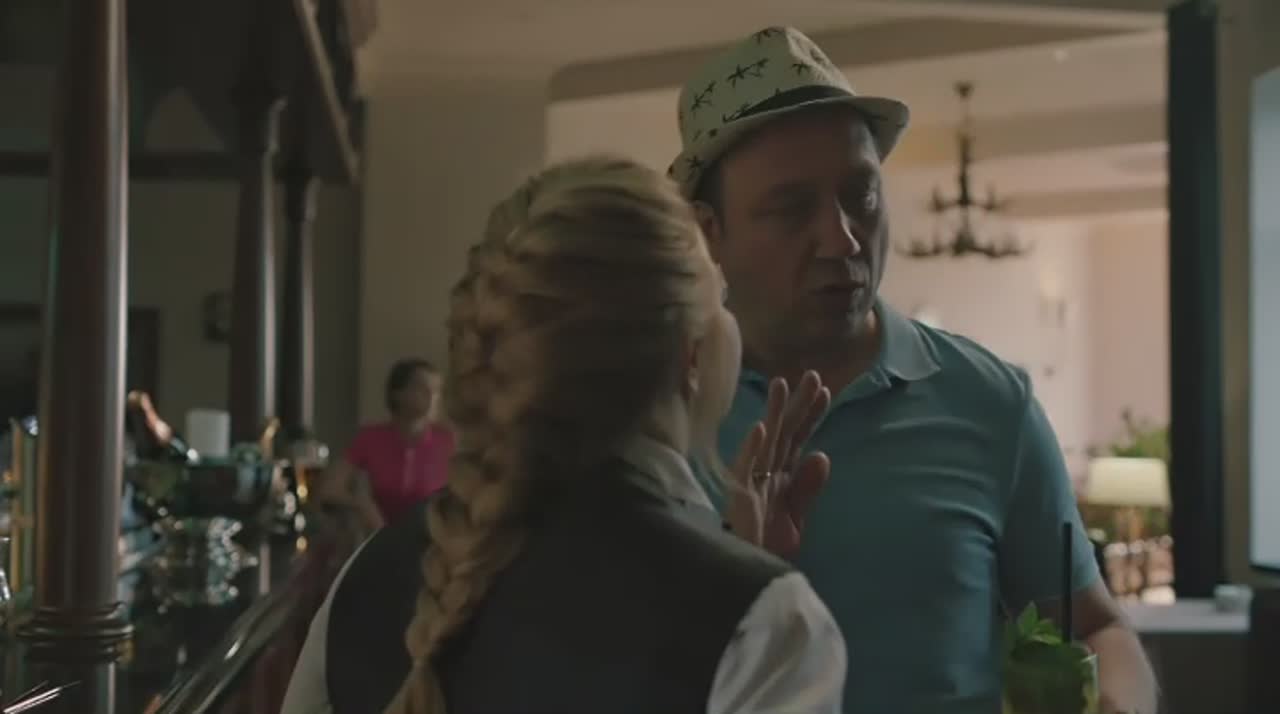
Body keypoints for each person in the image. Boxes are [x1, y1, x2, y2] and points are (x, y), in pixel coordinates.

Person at [669, 27, 1158, 714]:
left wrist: (1121, 702)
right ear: (709, 232)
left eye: (861, 196)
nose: (842, 237)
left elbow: (1096, 625)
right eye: (791, 208)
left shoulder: (990, 401)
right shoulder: (656, 410)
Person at [280, 156, 844, 714]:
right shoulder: (763, 629)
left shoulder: (368, 578)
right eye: (720, 303)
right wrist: (740, 584)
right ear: (690, 356)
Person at [317, 359, 454, 529]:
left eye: (436, 391)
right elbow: (330, 489)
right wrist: (362, 504)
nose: (432, 397)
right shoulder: (371, 438)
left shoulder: (448, 442)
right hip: (381, 534)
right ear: (398, 394)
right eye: (422, 389)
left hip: (435, 537)